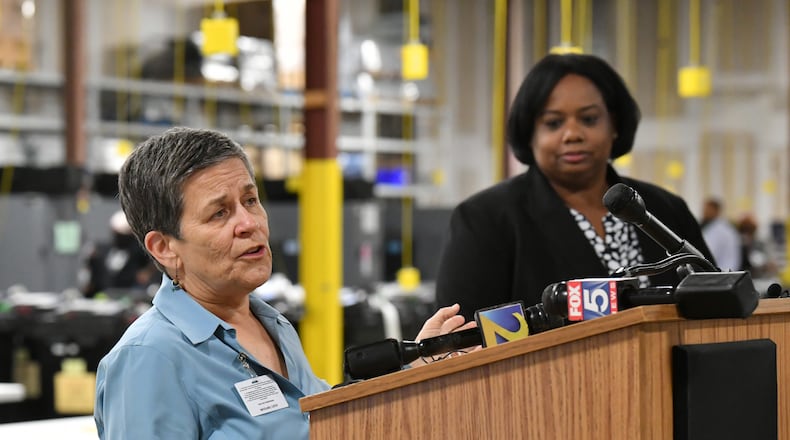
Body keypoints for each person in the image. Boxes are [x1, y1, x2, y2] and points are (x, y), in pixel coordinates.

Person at [93, 127, 475, 439]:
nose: (249, 223)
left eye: (251, 200)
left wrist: (417, 366)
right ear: (164, 247)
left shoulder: (273, 325)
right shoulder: (150, 359)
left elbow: (327, 424)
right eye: (219, 213)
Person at [435, 53, 714, 320]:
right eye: (554, 123)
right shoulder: (484, 219)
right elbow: (461, 344)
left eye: (589, 119)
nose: (572, 134)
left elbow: (715, 300)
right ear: (530, 133)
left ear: (614, 125)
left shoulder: (664, 208)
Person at [81, 210, 157, 297]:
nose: (120, 239)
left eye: (123, 235)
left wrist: (145, 274)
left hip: (131, 295)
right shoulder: (103, 251)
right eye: (118, 234)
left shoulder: (139, 252)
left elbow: (149, 269)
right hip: (105, 296)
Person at [700, 197, 742, 271]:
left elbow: (709, 252)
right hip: (721, 271)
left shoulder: (722, 230)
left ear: (716, 210)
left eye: (707, 209)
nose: (704, 212)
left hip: (722, 271)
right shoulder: (712, 227)